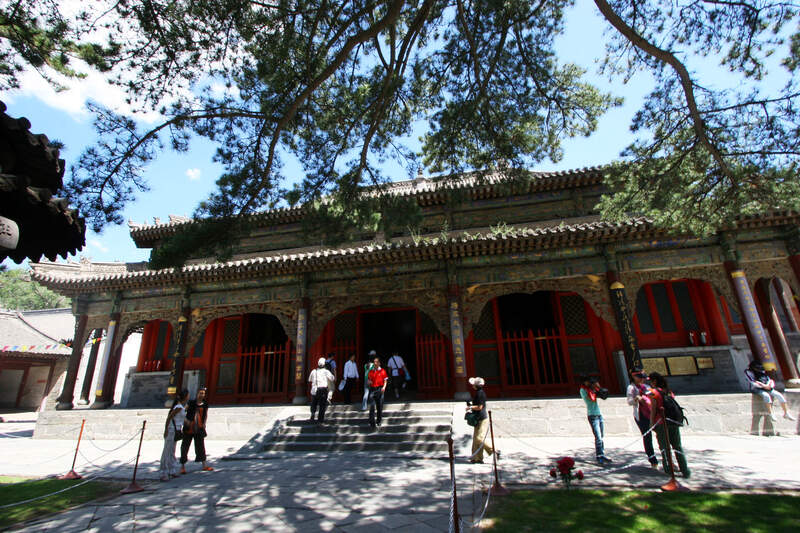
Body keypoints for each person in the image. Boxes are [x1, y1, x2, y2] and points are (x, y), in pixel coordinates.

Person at [648, 372, 690, 479]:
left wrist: (651, 423)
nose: (650, 383)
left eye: (651, 381)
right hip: (673, 422)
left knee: (664, 447)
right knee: (677, 446)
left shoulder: (653, 393)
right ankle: (685, 470)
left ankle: (668, 469)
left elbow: (653, 409)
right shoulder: (669, 392)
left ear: (654, 381)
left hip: (661, 423)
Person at [626, 368, 658, 468]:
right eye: (639, 377)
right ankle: (653, 460)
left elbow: (655, 397)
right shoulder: (631, 388)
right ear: (633, 377)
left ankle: (667, 458)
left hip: (652, 413)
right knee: (647, 437)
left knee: (660, 435)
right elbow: (629, 401)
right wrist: (636, 399)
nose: (641, 379)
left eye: (642, 377)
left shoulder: (647, 387)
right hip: (641, 415)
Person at [179, 387, 213, 473]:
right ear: (197, 393)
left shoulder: (205, 404)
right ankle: (182, 466)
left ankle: (204, 465)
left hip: (199, 427)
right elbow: (183, 411)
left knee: (200, 446)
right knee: (185, 446)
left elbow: (205, 414)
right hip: (189, 427)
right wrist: (185, 420)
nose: (202, 395)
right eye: (200, 393)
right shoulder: (191, 402)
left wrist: (204, 423)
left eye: (203, 393)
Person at [579, 375, 612, 465]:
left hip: (598, 414)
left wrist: (598, 387)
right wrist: (594, 389)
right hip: (592, 415)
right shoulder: (583, 390)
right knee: (598, 437)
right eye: (588, 381)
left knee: (601, 436)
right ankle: (599, 455)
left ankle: (602, 453)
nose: (589, 383)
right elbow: (590, 398)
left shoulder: (592, 389)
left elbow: (603, 395)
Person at [466, 377, 498, 464]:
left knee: (479, 438)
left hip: (482, 418)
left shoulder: (480, 394)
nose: (472, 386)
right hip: (478, 417)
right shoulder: (478, 393)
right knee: (475, 439)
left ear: (476, 385)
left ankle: (493, 451)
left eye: (473, 384)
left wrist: (470, 407)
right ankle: (477, 458)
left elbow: (480, 407)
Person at [159, 389, 188, 481]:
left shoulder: (181, 407)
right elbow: (169, 417)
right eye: (188, 395)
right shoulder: (178, 407)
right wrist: (166, 430)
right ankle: (163, 472)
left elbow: (181, 419)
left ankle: (172, 470)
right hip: (171, 430)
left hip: (177, 430)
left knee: (172, 451)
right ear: (185, 396)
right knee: (167, 451)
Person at [308, 357, 335, 423]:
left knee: (314, 403)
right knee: (322, 405)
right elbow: (332, 378)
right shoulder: (326, 372)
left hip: (314, 389)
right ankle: (320, 419)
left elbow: (309, 379)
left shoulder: (314, 371)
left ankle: (313, 414)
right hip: (322, 389)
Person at [367, 356, 388, 428]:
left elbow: (385, 381)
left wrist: (384, 387)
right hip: (373, 389)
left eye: (376, 362)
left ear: (379, 363)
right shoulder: (371, 371)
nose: (375, 363)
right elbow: (369, 380)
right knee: (372, 406)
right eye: (374, 362)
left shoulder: (383, 371)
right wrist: (369, 382)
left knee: (379, 406)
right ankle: (372, 422)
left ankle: (379, 421)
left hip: (380, 389)